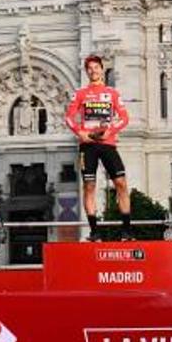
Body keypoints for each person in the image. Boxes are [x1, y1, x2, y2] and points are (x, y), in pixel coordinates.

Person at [65, 54, 132, 241]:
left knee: (121, 183)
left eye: (96, 67)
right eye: (90, 69)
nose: (93, 71)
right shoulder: (80, 93)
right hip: (88, 146)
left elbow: (125, 118)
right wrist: (80, 133)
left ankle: (127, 230)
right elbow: (69, 117)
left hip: (108, 144)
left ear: (102, 69)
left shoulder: (112, 93)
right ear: (86, 72)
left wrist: (110, 131)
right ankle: (94, 231)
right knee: (89, 186)